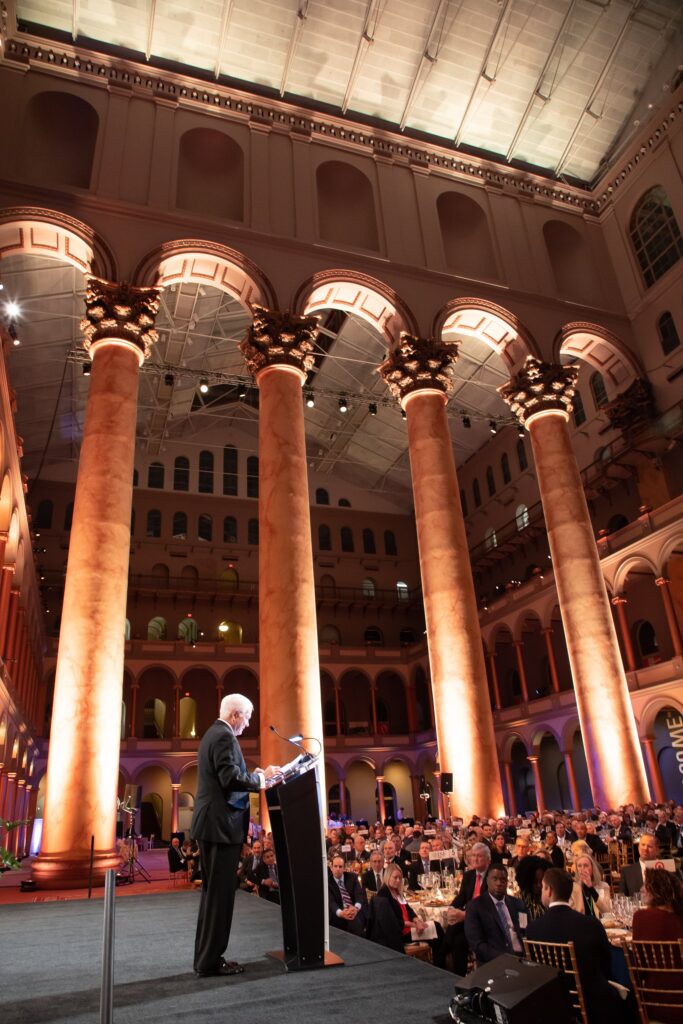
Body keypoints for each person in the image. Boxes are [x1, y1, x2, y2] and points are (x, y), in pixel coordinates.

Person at [191, 693, 281, 977]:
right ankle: (210, 960)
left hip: (214, 825)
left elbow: (227, 774)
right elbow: (229, 779)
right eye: (247, 716)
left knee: (213, 895)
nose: (248, 723)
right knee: (219, 897)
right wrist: (261, 779)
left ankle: (206, 957)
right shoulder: (224, 736)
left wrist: (253, 774)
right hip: (220, 827)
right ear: (235, 715)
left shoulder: (214, 734)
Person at [526, 868, 627, 1024]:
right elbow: (606, 966)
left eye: (543, 887)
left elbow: (535, 973)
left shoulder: (533, 929)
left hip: (554, 1004)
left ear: (549, 890)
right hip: (593, 1003)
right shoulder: (591, 924)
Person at [631, 868, 683, 1024]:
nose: (641, 889)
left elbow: (639, 968)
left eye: (645, 885)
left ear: (656, 890)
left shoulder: (641, 917)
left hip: (653, 1004)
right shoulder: (679, 918)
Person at [443, 842, 491, 975]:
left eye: (479, 856)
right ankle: (458, 977)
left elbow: (488, 905)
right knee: (457, 939)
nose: (475, 859)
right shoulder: (469, 875)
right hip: (468, 920)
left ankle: (442, 956)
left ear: (488, 859)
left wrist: (465, 915)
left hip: (483, 923)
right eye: (473, 856)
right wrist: (451, 908)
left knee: (453, 936)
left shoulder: (492, 876)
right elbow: (461, 897)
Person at [464, 864, 526, 965]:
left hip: (521, 959)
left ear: (507, 882)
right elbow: (477, 944)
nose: (499, 883)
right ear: (487, 881)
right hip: (493, 962)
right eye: (495, 879)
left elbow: (525, 931)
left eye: (503, 880)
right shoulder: (475, 906)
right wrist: (504, 958)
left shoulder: (518, 904)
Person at [369, 864, 427, 952]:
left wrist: (417, 920)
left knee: (436, 928)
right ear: (388, 877)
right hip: (401, 933)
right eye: (395, 877)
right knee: (436, 931)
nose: (398, 880)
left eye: (400, 878)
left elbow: (408, 909)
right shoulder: (383, 895)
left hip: (410, 928)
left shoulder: (397, 892)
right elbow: (391, 922)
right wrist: (412, 924)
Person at [328, 853, 367, 935]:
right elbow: (331, 902)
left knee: (358, 926)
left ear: (344, 868)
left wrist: (355, 908)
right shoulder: (328, 882)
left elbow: (359, 895)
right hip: (338, 914)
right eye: (335, 866)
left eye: (340, 866)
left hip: (354, 911)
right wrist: (341, 913)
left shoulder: (352, 877)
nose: (338, 869)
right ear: (331, 868)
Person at [573, 852, 611, 917]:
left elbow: (606, 911)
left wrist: (591, 889)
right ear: (576, 869)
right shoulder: (573, 887)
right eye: (579, 866)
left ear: (592, 868)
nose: (582, 869)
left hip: (599, 922)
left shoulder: (604, 886)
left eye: (586, 865)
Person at [515, 855, 549, 921]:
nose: (539, 885)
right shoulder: (520, 900)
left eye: (542, 881)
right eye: (535, 882)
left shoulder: (549, 898)